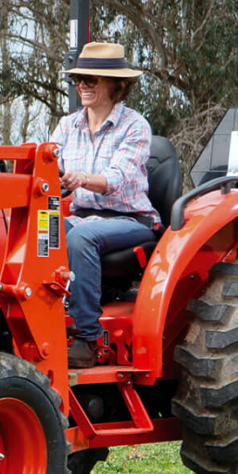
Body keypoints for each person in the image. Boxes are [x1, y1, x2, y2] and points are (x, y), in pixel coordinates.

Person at [51, 42, 160, 368]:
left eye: (92, 79)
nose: (83, 85)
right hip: (83, 215)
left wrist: (80, 178)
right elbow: (48, 162)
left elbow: (116, 179)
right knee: (40, 231)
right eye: (79, 78)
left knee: (81, 238)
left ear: (117, 85)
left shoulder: (135, 127)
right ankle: (41, 326)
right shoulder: (67, 126)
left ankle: (87, 339)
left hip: (129, 220)